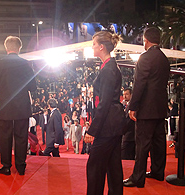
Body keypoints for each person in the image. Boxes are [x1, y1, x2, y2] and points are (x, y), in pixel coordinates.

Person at [123, 27, 170, 188]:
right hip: (160, 108)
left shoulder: (145, 58)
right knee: (159, 142)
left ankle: (138, 178)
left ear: (146, 40)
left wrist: (132, 106)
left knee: (142, 144)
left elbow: (139, 85)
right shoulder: (164, 58)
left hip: (146, 109)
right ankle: (158, 171)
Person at [83, 31, 125, 195]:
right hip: (114, 122)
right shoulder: (110, 66)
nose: (92, 46)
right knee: (113, 165)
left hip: (108, 124)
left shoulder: (108, 69)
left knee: (94, 166)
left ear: (101, 47)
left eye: (93, 44)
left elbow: (104, 102)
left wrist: (93, 130)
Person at [0, 36, 37, 176]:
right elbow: (33, 87)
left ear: (6, 48)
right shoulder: (26, 64)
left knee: (5, 137)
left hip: (4, 106)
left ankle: (6, 166)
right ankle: (21, 166)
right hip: (21, 106)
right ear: (19, 48)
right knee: (21, 136)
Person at [121, 88, 135, 160]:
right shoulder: (126, 105)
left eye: (126, 94)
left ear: (131, 95)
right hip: (128, 134)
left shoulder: (132, 105)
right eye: (123, 94)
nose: (124, 96)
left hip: (130, 135)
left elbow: (128, 121)